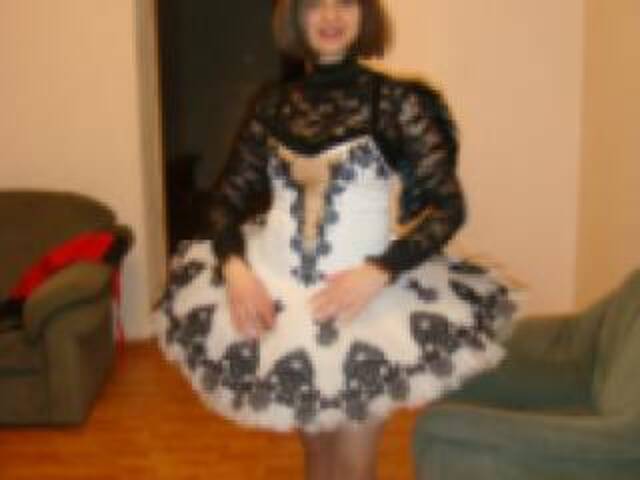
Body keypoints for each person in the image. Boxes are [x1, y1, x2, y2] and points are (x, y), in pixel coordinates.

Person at [155, 0, 519, 479]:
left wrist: (380, 270)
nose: (331, 16)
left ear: (365, 13)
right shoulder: (272, 106)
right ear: (295, 17)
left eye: (345, 1)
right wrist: (234, 268)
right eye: (315, 3)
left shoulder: (395, 102)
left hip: (365, 305)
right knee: (319, 459)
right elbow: (224, 201)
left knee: (353, 466)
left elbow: (448, 207)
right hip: (283, 302)